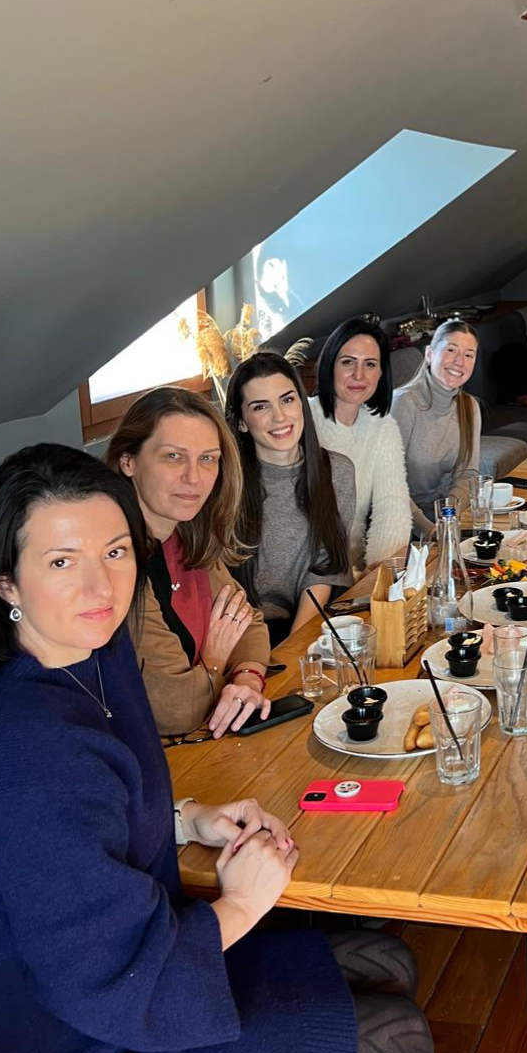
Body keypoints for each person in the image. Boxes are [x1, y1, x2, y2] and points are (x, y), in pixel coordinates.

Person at [0, 444, 434, 1053]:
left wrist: (186, 818)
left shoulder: (91, 656)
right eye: (61, 561)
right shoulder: (27, 752)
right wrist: (243, 905)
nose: (101, 583)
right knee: (401, 1042)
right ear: (6, 582)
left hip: (133, 993)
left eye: (116, 551)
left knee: (388, 960)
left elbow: (101, 824)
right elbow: (111, 973)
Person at [105, 388, 272, 738]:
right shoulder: (117, 561)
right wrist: (216, 659)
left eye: (208, 458)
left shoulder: (185, 533)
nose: (194, 477)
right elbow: (176, 710)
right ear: (128, 461)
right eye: (173, 457)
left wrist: (245, 681)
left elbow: (250, 628)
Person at [224, 352, 355, 647]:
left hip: (312, 624)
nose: (280, 417)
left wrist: (296, 647)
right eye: (261, 406)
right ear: (242, 422)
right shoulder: (224, 484)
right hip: (244, 637)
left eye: (287, 399)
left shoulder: (338, 471)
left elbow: (325, 569)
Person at [308, 316, 412, 571]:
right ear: (330, 365)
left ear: (381, 373)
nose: (359, 375)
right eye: (348, 362)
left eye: (370, 364)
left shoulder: (383, 426)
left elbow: (392, 505)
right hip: (309, 572)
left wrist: (381, 570)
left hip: (356, 567)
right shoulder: (302, 419)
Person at [392, 320, 482, 536]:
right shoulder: (404, 403)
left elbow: (468, 474)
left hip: (442, 518)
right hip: (398, 523)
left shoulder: (469, 406)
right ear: (429, 354)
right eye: (451, 350)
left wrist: (447, 517)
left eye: (469, 355)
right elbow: (389, 482)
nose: (459, 361)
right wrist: (428, 530)